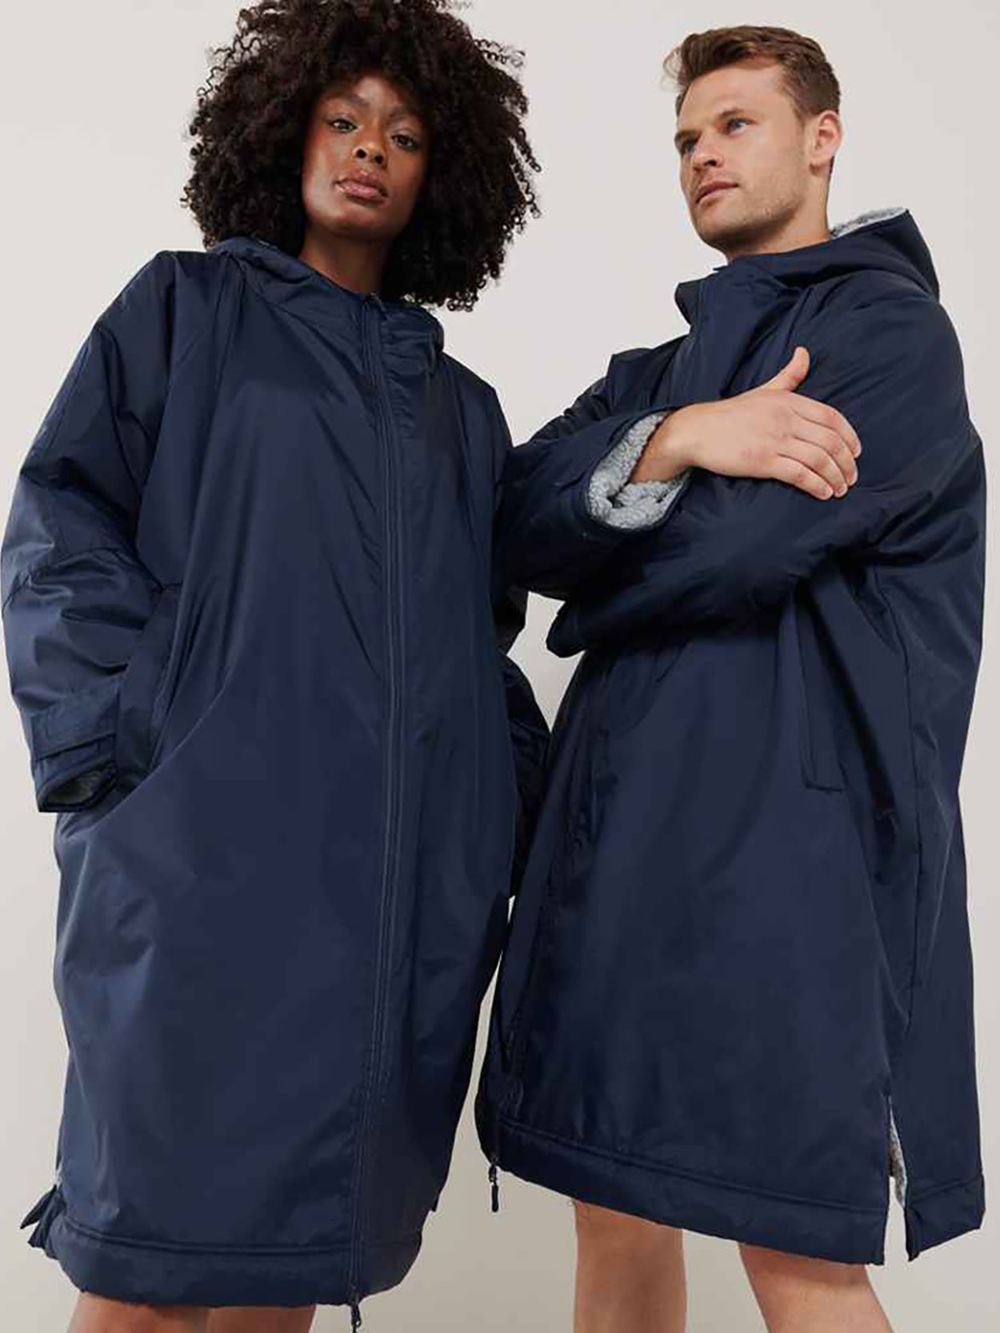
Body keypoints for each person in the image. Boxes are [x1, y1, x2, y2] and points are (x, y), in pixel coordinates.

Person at [2, 3, 554, 1330]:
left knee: (294, 1255)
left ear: (443, 177)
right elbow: (60, 523)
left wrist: (495, 809)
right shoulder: (182, 311)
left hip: (388, 897)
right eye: (342, 120)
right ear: (282, 132)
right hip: (201, 864)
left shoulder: (461, 409)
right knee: (144, 1259)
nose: (369, 150)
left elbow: (477, 635)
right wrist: (123, 738)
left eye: (405, 136)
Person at [476, 24, 986, 1333]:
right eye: (688, 138)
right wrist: (685, 435)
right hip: (619, 852)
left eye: (737, 124)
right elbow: (511, 519)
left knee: (793, 1245)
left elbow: (745, 546)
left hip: (795, 871)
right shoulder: (656, 376)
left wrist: (599, 582)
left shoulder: (890, 336)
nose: (704, 153)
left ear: (823, 138)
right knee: (614, 1207)